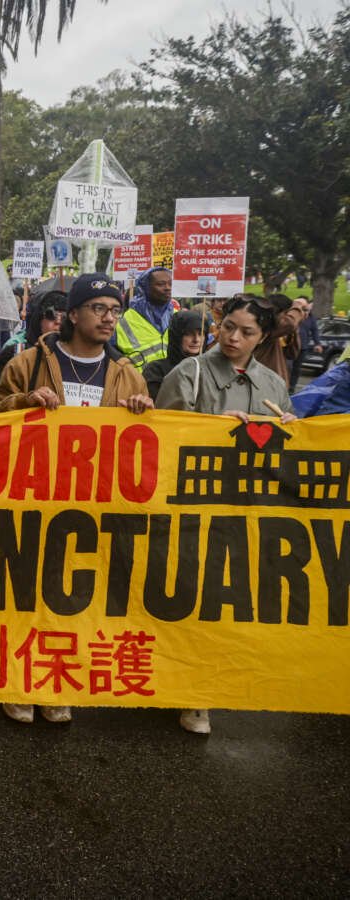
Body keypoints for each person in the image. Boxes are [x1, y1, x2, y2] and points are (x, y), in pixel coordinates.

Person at [0, 274, 154, 725]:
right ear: (74, 314)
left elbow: (145, 441)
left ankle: (56, 680)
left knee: (74, 596)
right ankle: (19, 681)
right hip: (32, 500)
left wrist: (142, 412)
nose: (109, 318)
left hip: (93, 507)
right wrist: (24, 401)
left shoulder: (127, 373)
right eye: (99, 308)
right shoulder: (28, 362)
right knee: (24, 594)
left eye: (115, 311)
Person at [157, 295, 295, 735]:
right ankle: (169, 681)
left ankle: (201, 692)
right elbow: (162, 437)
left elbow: (283, 455)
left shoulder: (273, 385)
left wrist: (289, 431)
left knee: (225, 599)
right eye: (228, 326)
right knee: (180, 596)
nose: (233, 337)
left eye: (246, 331)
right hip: (190, 508)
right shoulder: (189, 373)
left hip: (245, 512)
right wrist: (211, 432)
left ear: (264, 337)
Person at [0, 290, 66, 402]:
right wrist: (26, 400)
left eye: (64, 317)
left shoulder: (78, 358)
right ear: (38, 319)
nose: (58, 322)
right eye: (51, 315)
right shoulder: (16, 352)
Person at [114, 266, 174, 371]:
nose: (168, 287)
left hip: (171, 383)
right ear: (146, 287)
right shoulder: (126, 320)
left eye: (171, 284)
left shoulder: (177, 317)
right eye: (161, 284)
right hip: (137, 383)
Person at [141, 310, 206, 401]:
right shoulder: (155, 371)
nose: (196, 339)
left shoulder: (210, 370)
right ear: (177, 336)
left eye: (201, 334)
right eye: (189, 334)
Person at [252, 293, 305, 384]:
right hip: (264, 382)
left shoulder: (281, 330)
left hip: (274, 382)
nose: (286, 317)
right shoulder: (265, 325)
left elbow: (292, 354)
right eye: (286, 313)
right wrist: (296, 306)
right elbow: (291, 323)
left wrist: (293, 332)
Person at [291, 297, 322, 390]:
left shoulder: (311, 318)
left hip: (303, 347)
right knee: (288, 367)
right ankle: (283, 385)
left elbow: (315, 331)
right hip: (289, 347)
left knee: (297, 368)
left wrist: (318, 344)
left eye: (304, 305)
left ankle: (292, 387)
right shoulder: (291, 314)